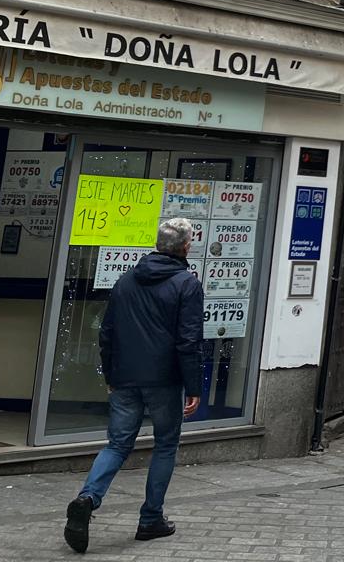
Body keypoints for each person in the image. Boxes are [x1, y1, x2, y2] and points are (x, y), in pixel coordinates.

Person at [63, 217, 203, 553]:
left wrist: (111, 376)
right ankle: (150, 519)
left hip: (125, 377)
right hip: (164, 380)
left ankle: (88, 497)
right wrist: (194, 385)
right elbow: (188, 340)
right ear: (185, 247)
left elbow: (106, 332)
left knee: (117, 444)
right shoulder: (187, 284)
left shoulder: (125, 281)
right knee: (166, 444)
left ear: (158, 244)